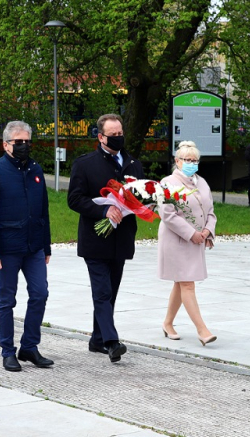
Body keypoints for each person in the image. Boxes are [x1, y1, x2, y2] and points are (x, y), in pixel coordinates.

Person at [0, 121, 53, 372]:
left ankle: (29, 346)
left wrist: (46, 246)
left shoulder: (35, 169)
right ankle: (7, 351)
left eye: (27, 142)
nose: (23, 146)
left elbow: (44, 210)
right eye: (18, 142)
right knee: (7, 299)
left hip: (34, 247)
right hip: (7, 248)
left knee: (40, 293)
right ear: (5, 144)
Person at [67, 113, 144, 363]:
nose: (118, 138)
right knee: (101, 292)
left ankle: (97, 339)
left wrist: (144, 204)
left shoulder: (133, 163)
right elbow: (74, 199)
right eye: (113, 135)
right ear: (100, 137)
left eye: (121, 134)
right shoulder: (85, 164)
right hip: (95, 239)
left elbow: (141, 194)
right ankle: (111, 342)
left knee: (110, 292)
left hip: (121, 239)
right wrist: (103, 209)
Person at [159, 141, 217, 345]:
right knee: (187, 283)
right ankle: (202, 330)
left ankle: (167, 323)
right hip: (176, 240)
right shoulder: (168, 182)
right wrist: (191, 233)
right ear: (177, 161)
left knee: (181, 282)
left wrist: (208, 231)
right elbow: (168, 215)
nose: (192, 163)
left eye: (195, 160)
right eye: (187, 160)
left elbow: (210, 211)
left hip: (198, 239)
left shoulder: (202, 182)